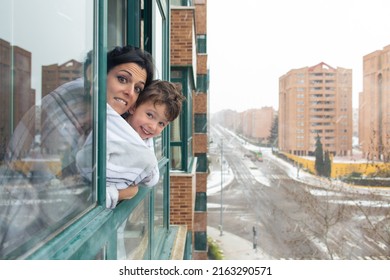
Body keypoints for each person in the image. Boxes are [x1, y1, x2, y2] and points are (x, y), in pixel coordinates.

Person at [0, 45, 155, 257]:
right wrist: (123, 192)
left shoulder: (119, 124)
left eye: (138, 88)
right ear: (99, 75)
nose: (129, 92)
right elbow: (52, 187)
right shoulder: (73, 102)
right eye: (122, 79)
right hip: (32, 236)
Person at [77, 79, 185, 209]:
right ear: (134, 107)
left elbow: (151, 175)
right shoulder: (111, 128)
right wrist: (127, 191)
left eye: (161, 123)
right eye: (150, 115)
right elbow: (87, 165)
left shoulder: (144, 140)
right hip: (87, 203)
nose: (153, 126)